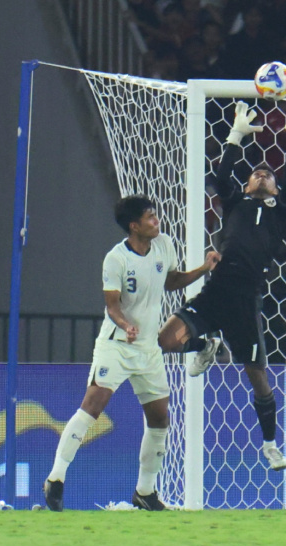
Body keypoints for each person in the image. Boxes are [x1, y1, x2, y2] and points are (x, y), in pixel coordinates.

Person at [43, 194, 220, 511]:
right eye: (150, 217)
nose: (157, 221)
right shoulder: (116, 259)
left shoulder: (163, 244)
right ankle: (56, 479)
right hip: (117, 345)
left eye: (155, 215)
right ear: (134, 226)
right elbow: (112, 305)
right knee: (92, 407)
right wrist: (126, 325)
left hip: (148, 348)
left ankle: (145, 492)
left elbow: (171, 280)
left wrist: (204, 268)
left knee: (159, 418)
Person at [157, 100, 286, 471]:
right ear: (246, 183)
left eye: (267, 175)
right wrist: (235, 135)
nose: (261, 175)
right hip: (216, 291)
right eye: (255, 173)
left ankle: (270, 444)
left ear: (274, 187)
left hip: (245, 299)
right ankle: (205, 343)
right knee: (165, 339)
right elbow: (222, 176)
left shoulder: (281, 210)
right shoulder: (234, 202)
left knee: (258, 378)